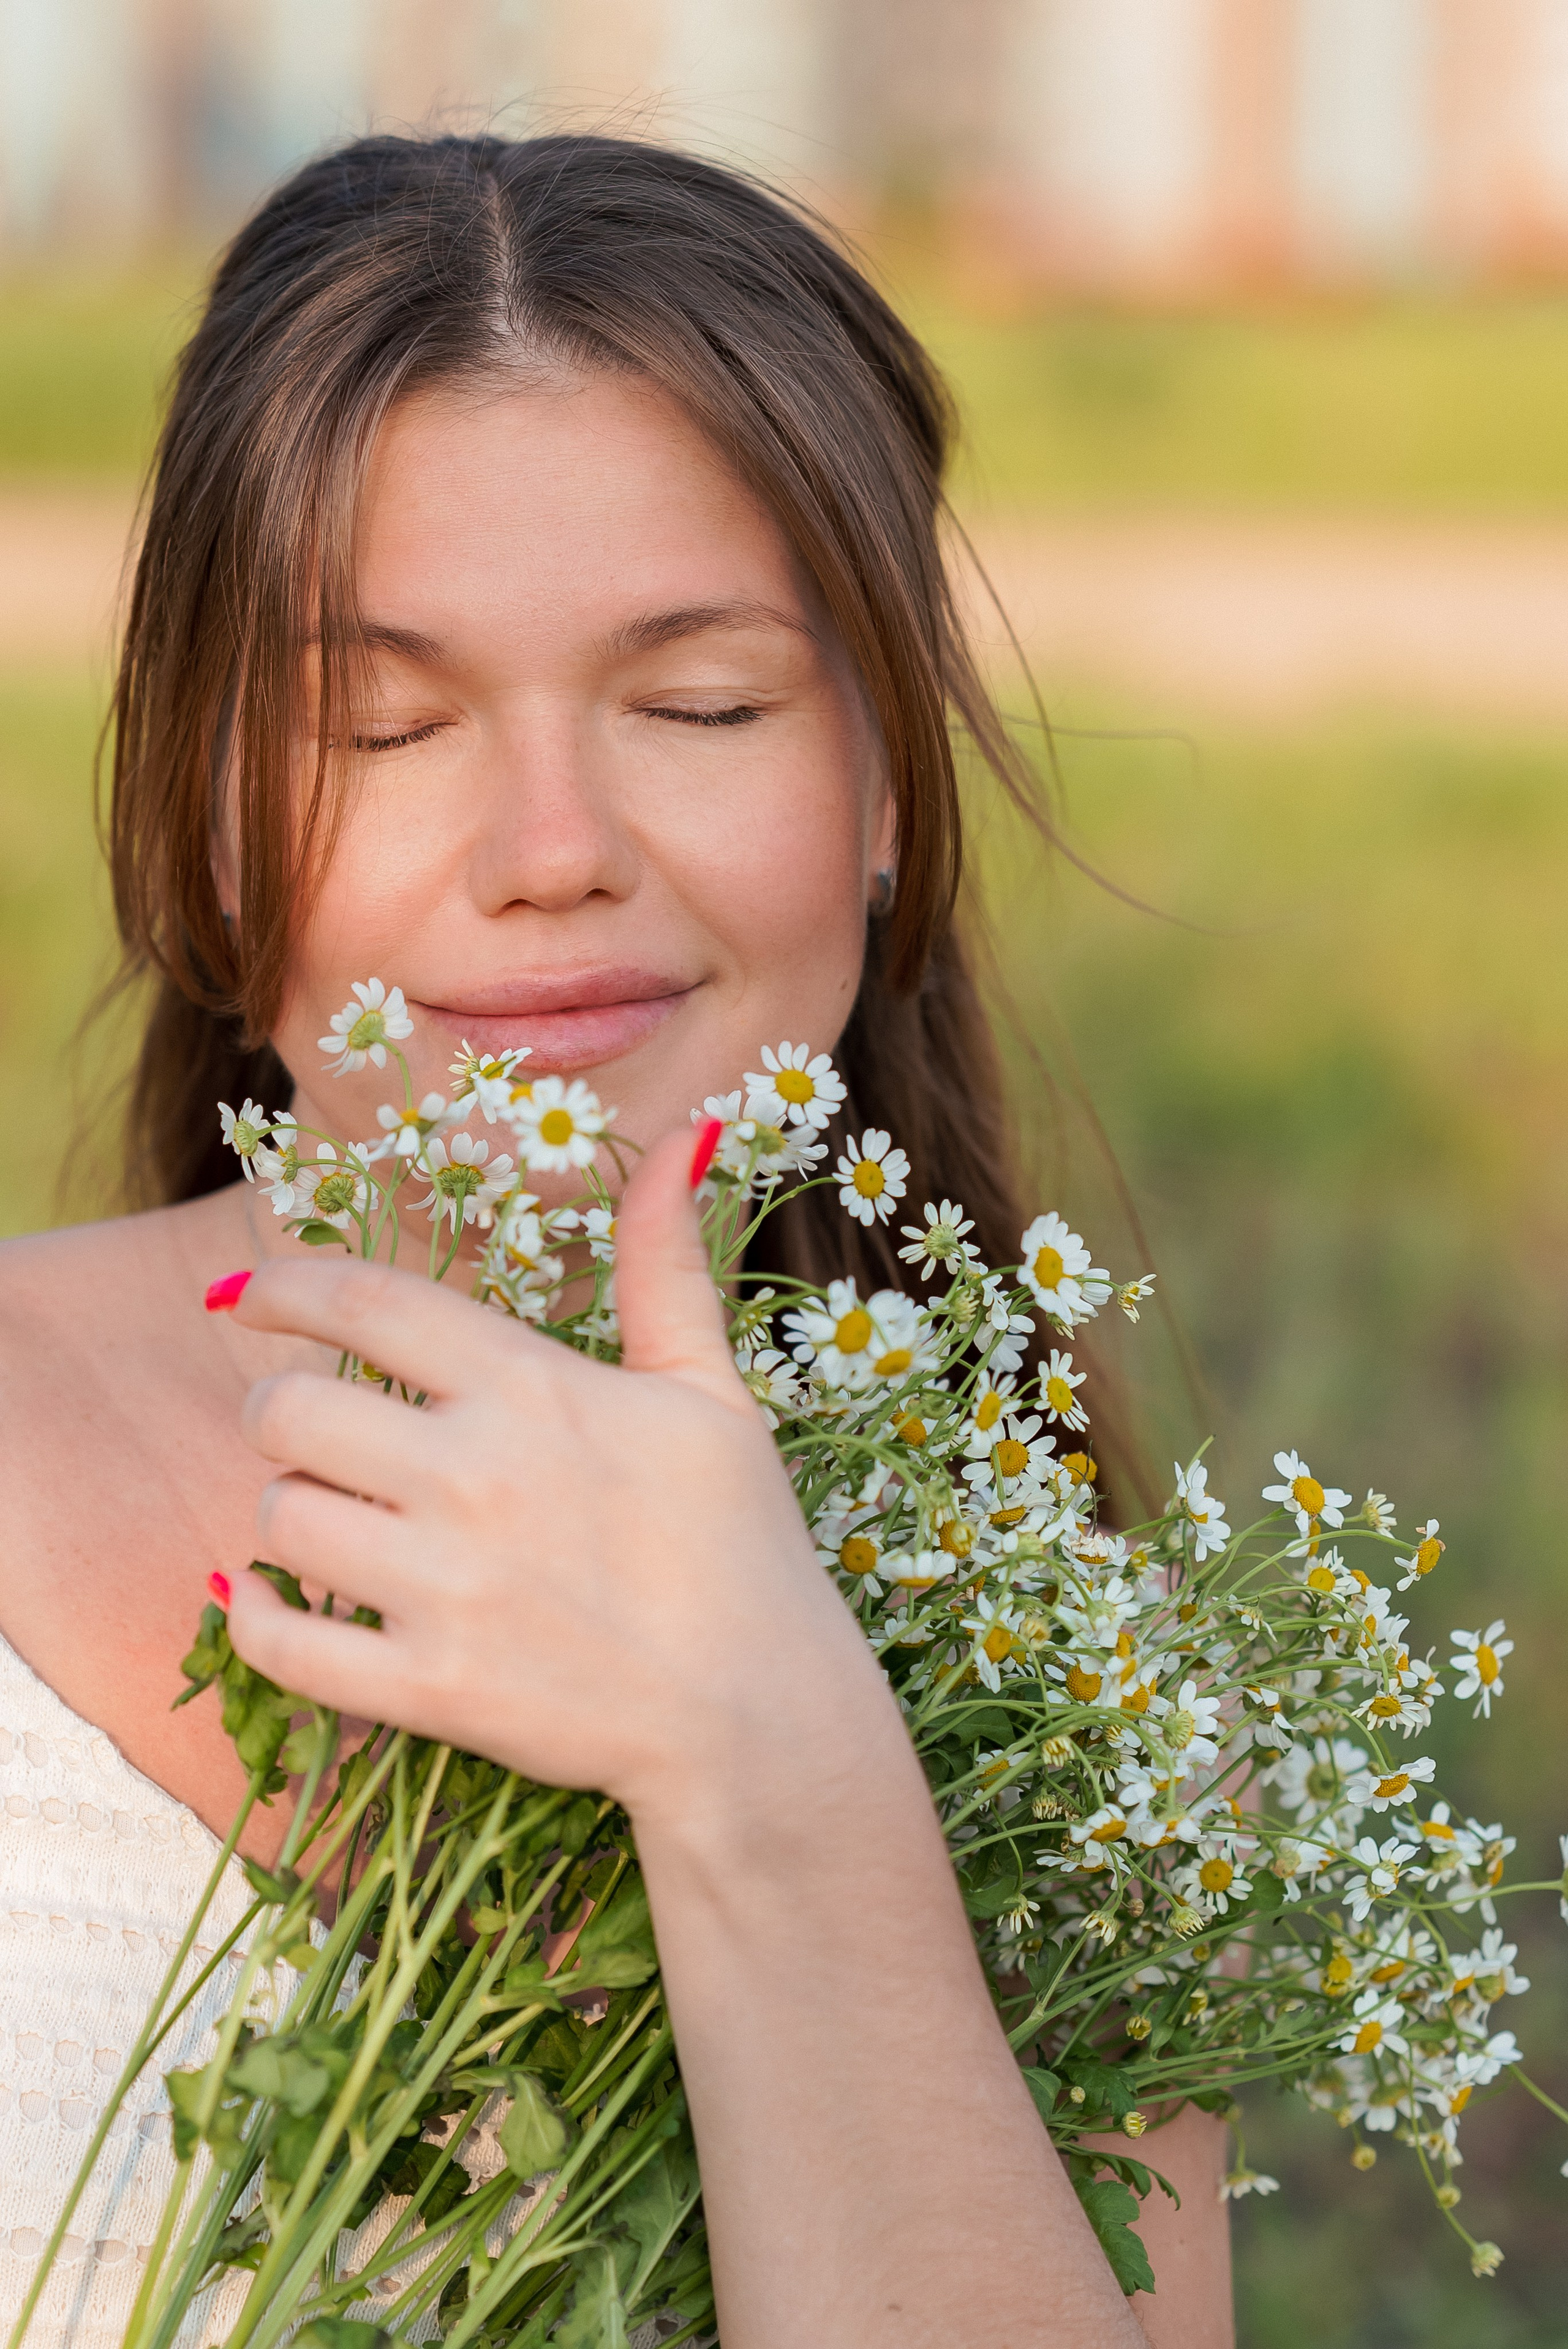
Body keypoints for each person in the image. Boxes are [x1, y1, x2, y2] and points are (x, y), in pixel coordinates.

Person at [0, 134, 1231, 2347]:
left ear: (880, 792)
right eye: (380, 721)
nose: (554, 851)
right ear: (192, 807)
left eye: (702, 705)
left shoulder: (1095, 1713)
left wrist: (776, 1750)